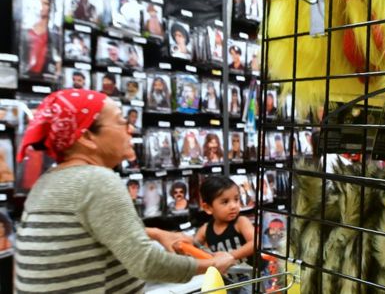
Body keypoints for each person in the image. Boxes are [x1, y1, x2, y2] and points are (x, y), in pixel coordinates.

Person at [14, 89, 234, 292]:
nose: (131, 129)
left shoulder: (48, 182)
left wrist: (156, 233)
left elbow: (90, 230)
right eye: (121, 122)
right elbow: (146, 262)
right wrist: (212, 264)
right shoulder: (96, 180)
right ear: (86, 137)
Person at [175, 176, 254, 294]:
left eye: (236, 199)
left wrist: (230, 256)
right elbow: (194, 246)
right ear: (207, 207)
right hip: (224, 280)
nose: (233, 205)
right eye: (225, 202)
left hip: (250, 279)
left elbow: (255, 243)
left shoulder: (241, 222)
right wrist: (183, 246)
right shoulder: (206, 229)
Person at [25, 0, 61, 78]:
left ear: (51, 7)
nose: (41, 6)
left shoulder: (56, 34)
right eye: (38, 2)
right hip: (25, 78)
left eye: (45, 3)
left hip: (46, 78)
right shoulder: (25, 31)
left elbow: (58, 64)